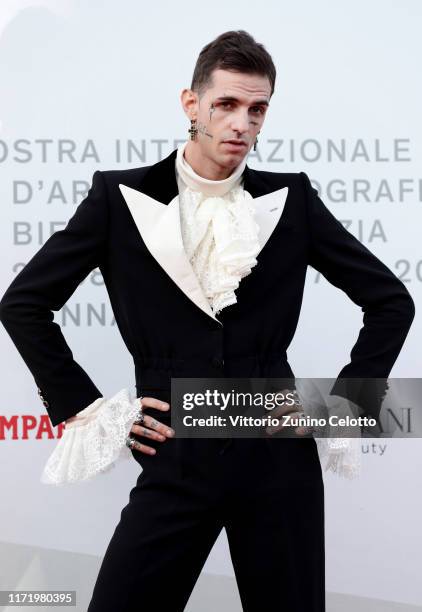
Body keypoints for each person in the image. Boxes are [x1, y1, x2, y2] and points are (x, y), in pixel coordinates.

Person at [0, 30, 415, 612]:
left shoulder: (291, 199)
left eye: (257, 108)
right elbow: (23, 304)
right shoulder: (118, 200)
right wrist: (90, 410)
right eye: (226, 104)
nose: (241, 123)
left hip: (277, 460)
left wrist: (340, 404)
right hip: (174, 460)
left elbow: (392, 301)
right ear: (191, 105)